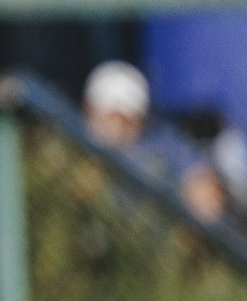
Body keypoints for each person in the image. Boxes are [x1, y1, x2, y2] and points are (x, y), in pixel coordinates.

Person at [81, 60, 226, 225]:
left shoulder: (160, 143)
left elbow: (202, 184)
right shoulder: (68, 148)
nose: (117, 127)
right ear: (89, 110)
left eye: (127, 120)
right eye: (111, 116)